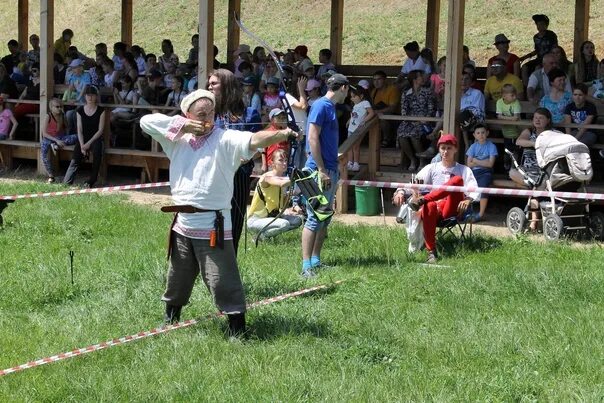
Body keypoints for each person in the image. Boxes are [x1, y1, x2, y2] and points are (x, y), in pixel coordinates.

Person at [139, 89, 297, 336]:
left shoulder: (224, 139)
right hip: (183, 223)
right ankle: (170, 320)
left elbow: (253, 140)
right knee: (177, 276)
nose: (207, 119)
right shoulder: (176, 139)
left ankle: (238, 330)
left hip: (212, 223)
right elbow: (145, 122)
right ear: (187, 115)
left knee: (223, 280)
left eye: (210, 113)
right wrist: (184, 126)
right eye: (200, 115)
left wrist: (283, 133)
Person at [392, 134, 478, 263]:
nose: (445, 151)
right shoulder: (431, 168)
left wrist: (468, 200)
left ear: (455, 150)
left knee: (457, 180)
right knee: (430, 205)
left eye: (449, 148)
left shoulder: (463, 169)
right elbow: (414, 184)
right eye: (443, 148)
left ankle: (424, 199)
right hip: (434, 208)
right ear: (439, 150)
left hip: (452, 208)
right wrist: (400, 191)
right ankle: (431, 252)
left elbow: (474, 189)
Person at [301, 73, 349, 277]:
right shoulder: (321, 106)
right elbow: (312, 137)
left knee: (325, 217)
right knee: (314, 218)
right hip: (319, 171)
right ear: (343, 88)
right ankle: (306, 267)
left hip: (330, 168)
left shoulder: (329, 107)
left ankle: (315, 260)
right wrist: (320, 169)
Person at [208, 69, 252, 255]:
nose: (209, 87)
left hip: (238, 174)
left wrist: (248, 156)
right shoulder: (208, 114)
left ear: (226, 86)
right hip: (213, 174)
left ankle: (230, 265)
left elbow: (255, 143)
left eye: (214, 83)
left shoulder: (248, 113)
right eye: (209, 83)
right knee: (212, 220)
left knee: (234, 220)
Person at [248, 148, 303, 240]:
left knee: (297, 220)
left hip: (273, 217)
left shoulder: (283, 179)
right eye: (280, 160)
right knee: (284, 224)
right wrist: (298, 177)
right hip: (256, 220)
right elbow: (280, 182)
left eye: (285, 160)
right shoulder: (267, 177)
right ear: (272, 163)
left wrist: (292, 195)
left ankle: (268, 234)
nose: (284, 163)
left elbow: (283, 204)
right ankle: (260, 237)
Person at [63, 86, 106, 188]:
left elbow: (100, 130)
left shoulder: (101, 110)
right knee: (75, 158)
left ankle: (92, 180)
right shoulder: (80, 110)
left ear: (96, 96)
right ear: (85, 97)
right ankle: (67, 182)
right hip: (83, 138)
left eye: (92, 95)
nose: (90, 98)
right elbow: (79, 130)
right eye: (88, 95)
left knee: (97, 152)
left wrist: (88, 144)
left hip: (95, 138)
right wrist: (82, 145)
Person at [397, 70, 436, 172]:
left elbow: (431, 109)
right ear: (414, 79)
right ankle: (412, 160)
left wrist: (424, 120)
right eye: (420, 77)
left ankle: (422, 160)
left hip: (424, 122)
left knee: (414, 134)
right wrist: (411, 120)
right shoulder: (406, 93)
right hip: (409, 121)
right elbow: (404, 110)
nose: (423, 79)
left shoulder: (427, 92)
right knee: (401, 133)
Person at [509, 108, 553, 188]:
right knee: (512, 173)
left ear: (548, 120)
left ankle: (530, 187)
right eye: (535, 117)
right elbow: (518, 141)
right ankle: (533, 187)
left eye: (541, 118)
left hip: (543, 171)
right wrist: (534, 144)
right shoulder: (529, 131)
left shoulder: (552, 133)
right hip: (526, 170)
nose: (537, 120)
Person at [40, 99, 78, 183]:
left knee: (76, 137)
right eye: (57, 107)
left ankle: (55, 145)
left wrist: (64, 117)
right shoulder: (48, 116)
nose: (59, 108)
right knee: (43, 156)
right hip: (48, 138)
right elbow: (44, 133)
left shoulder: (62, 116)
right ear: (51, 107)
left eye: (61, 106)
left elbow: (66, 129)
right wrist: (56, 140)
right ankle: (51, 176)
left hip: (59, 138)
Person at [465, 124, 497, 220]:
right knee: (466, 187)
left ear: (487, 133)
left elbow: (490, 164)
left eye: (483, 132)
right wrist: (483, 162)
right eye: (478, 133)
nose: (481, 135)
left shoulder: (491, 146)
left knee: (483, 188)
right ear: (474, 135)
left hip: (486, 172)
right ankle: (466, 211)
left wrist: (476, 161)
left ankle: (480, 214)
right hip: (473, 172)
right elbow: (469, 164)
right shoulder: (473, 147)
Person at [519, 14, 558, 83]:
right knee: (524, 67)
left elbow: (555, 48)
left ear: (546, 25)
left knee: (538, 68)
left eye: (542, 24)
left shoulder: (551, 35)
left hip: (548, 59)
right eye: (538, 24)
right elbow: (537, 50)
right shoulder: (536, 37)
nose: (540, 26)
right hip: (539, 59)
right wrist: (524, 57)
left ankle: (538, 85)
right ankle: (526, 86)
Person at [347, 85, 375, 172]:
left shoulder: (365, 103)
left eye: (354, 96)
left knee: (355, 146)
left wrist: (364, 121)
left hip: (358, 129)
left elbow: (371, 113)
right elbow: (354, 115)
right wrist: (348, 120)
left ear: (361, 96)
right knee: (349, 146)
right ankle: (350, 162)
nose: (352, 99)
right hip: (351, 129)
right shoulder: (355, 105)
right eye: (351, 97)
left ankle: (356, 163)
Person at [371, 70, 400, 147]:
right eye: (374, 80)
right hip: (378, 114)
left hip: (393, 116)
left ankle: (386, 140)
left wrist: (377, 111)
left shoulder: (392, 90)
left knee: (383, 119)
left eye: (379, 79)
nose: (376, 82)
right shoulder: (374, 91)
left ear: (385, 80)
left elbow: (392, 108)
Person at [496, 84, 522, 171]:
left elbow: (516, 117)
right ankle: (506, 166)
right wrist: (511, 119)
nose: (515, 97)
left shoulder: (516, 102)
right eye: (512, 95)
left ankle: (514, 168)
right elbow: (499, 116)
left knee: (516, 151)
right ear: (504, 96)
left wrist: (506, 118)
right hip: (506, 132)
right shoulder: (499, 102)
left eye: (515, 95)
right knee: (507, 151)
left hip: (516, 132)